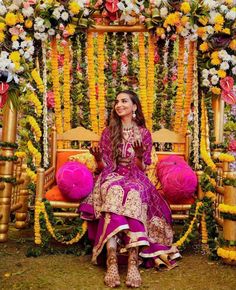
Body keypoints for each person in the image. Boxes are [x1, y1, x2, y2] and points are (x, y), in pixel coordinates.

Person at [79, 90, 180, 288]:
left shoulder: (144, 134)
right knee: (115, 190)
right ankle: (112, 261)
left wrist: (140, 156)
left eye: (124, 101)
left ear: (134, 107)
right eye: (116, 101)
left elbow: (142, 168)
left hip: (136, 176)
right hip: (112, 175)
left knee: (134, 192)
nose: (119, 105)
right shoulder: (109, 132)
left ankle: (133, 261)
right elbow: (105, 168)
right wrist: (99, 159)